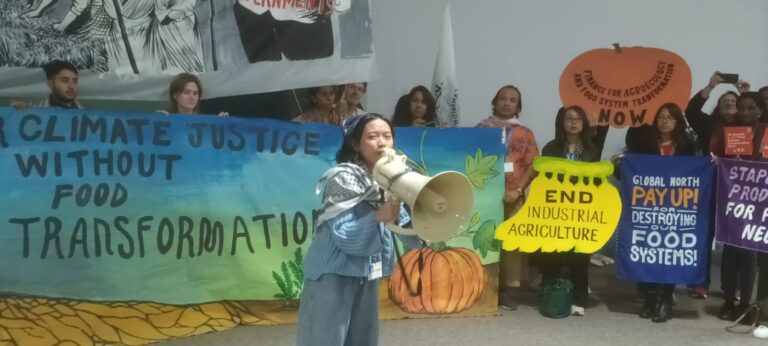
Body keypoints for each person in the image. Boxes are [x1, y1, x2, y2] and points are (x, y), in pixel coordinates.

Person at [296, 113, 421, 346]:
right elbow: (344, 234)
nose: (382, 143)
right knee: (326, 338)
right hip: (332, 271)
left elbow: (404, 228)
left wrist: (420, 216)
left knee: (362, 338)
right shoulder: (342, 177)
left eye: (387, 136)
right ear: (355, 144)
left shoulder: (389, 179)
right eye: (372, 137)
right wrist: (378, 216)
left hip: (365, 271)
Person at [628, 103, 697, 323]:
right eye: (660, 117)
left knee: (670, 253)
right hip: (648, 208)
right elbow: (633, 169)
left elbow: (696, 172)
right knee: (648, 251)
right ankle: (650, 299)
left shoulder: (686, 145)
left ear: (678, 121)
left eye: (669, 117)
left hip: (675, 209)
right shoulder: (644, 143)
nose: (664, 121)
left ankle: (665, 300)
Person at [476, 85, 539, 310]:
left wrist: (518, 191)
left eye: (512, 100)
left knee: (509, 245)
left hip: (512, 195)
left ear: (518, 106)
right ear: (495, 102)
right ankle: (482, 286)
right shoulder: (481, 129)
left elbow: (534, 166)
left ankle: (504, 291)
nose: (506, 103)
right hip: (484, 195)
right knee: (485, 238)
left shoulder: (525, 133)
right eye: (502, 98)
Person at [709, 92, 766, 323]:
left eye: (751, 108)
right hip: (732, 199)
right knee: (730, 251)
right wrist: (716, 161)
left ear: (760, 110)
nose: (745, 112)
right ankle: (728, 299)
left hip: (759, 203)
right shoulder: (728, 133)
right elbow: (716, 157)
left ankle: (745, 304)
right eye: (741, 108)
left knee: (750, 253)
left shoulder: (767, 132)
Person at [539, 105, 599, 316]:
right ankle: (549, 293)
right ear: (561, 123)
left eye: (578, 119)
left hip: (580, 212)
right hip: (554, 210)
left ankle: (579, 298)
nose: (573, 122)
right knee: (552, 253)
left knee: (579, 256)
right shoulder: (550, 149)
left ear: (584, 123)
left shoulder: (592, 151)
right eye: (569, 118)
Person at [11, 60, 83, 109]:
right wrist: (16, 113)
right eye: (65, 81)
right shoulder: (32, 112)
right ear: (50, 84)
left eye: (75, 81)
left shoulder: (90, 118)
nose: (71, 86)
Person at [159, 73, 228, 116]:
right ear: (175, 95)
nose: (192, 97)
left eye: (195, 93)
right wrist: (156, 118)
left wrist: (223, 122)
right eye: (186, 92)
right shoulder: (166, 118)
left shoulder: (205, 122)